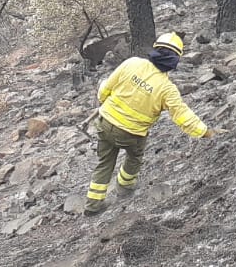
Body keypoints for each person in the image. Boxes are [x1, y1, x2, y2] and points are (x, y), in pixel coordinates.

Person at [84, 32, 214, 215]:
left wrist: (103, 100)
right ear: (175, 60)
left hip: (105, 123)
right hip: (132, 134)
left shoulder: (132, 63)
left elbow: (105, 89)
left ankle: (92, 206)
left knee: (104, 163)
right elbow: (183, 116)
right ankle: (125, 187)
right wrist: (205, 132)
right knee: (134, 157)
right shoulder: (167, 89)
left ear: (155, 49)